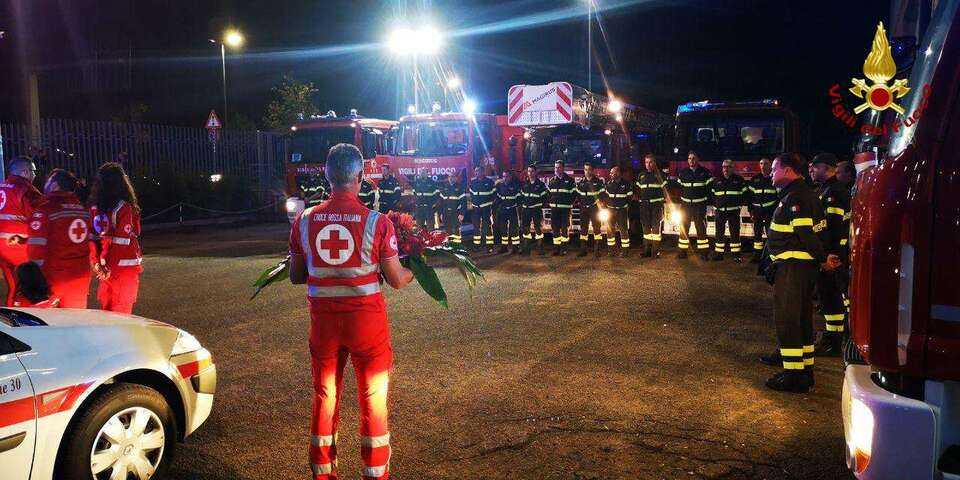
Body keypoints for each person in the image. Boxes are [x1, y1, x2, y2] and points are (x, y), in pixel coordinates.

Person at [288, 143, 413, 480]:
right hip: (366, 327)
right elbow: (397, 280)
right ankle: (374, 473)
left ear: (327, 176)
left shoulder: (304, 221)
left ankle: (323, 472)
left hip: (324, 327)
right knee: (373, 397)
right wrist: (413, 269)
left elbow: (296, 276)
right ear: (360, 177)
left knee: (324, 395)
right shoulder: (377, 223)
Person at [761, 152, 840, 393]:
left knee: (788, 321)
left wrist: (823, 259)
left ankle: (793, 375)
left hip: (793, 269)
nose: (771, 174)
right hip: (799, 269)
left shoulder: (797, 197)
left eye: (774, 169)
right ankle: (803, 372)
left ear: (787, 170)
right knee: (802, 320)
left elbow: (806, 234)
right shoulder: (801, 194)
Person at [27, 169, 92, 308]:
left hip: (54, 277)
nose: (45, 184)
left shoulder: (45, 209)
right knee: (74, 323)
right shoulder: (82, 209)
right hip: (81, 276)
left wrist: (35, 281)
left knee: (41, 322)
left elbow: (36, 250)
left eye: (48, 181)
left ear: (55, 185)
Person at [810, 153, 851, 355]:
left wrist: (830, 257)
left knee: (831, 297)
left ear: (826, 168)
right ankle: (833, 337)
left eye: (814, 167)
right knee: (830, 297)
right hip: (834, 254)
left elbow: (834, 228)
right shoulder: (830, 189)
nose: (811, 170)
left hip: (832, 256)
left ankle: (833, 342)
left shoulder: (833, 192)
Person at [89, 162, 143, 314]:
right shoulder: (124, 207)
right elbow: (124, 241)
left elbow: (92, 239)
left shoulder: (95, 208)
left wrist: (98, 264)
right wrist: (109, 268)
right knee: (122, 316)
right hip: (123, 270)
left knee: (107, 313)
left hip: (105, 270)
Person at [0, 157, 42, 306]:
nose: (35, 175)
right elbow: (40, 217)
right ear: (25, 172)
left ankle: (12, 318)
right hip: (20, 246)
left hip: (2, 248)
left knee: (13, 286)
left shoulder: (2, 187)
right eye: (33, 171)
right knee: (27, 287)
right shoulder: (26, 190)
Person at [676, 151, 713, 259]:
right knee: (684, 229)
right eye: (689, 158)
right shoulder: (683, 173)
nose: (691, 160)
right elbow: (679, 188)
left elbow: (709, 189)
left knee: (701, 229)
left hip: (699, 206)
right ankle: (682, 252)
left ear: (698, 159)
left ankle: (703, 253)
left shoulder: (705, 172)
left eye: (693, 158)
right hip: (686, 206)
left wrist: (706, 201)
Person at [711, 159, 748, 262]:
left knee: (735, 233)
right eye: (724, 167)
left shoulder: (739, 180)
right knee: (719, 233)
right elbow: (712, 195)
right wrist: (716, 205)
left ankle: (736, 255)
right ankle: (719, 254)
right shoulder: (716, 180)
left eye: (728, 167)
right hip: (720, 211)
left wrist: (739, 205)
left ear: (733, 168)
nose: (725, 169)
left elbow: (745, 194)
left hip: (733, 212)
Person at [636, 154, 666, 258]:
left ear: (654, 163)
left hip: (656, 206)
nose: (648, 164)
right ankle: (646, 251)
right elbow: (638, 190)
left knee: (656, 229)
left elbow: (665, 191)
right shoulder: (641, 175)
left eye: (650, 162)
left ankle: (655, 252)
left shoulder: (660, 175)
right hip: (645, 206)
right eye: (646, 162)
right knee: (646, 229)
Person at [748, 158, 777, 263]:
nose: (763, 166)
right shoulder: (754, 179)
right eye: (761, 163)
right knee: (757, 234)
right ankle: (757, 255)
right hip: (757, 211)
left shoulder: (774, 178)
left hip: (771, 211)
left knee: (771, 234)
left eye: (765, 163)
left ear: (770, 165)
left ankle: (770, 256)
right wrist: (750, 210)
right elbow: (750, 197)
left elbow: (778, 196)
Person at [575, 164, 606, 257]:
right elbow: (578, 195)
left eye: (589, 170)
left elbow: (602, 194)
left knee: (597, 228)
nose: (587, 171)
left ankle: (597, 250)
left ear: (592, 171)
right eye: (585, 169)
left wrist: (599, 203)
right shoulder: (580, 183)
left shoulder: (599, 182)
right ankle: (583, 250)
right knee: (583, 229)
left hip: (594, 208)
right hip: (584, 208)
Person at [547, 160, 576, 256]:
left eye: (559, 167)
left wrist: (568, 203)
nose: (557, 169)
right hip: (554, 210)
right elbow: (548, 194)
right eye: (555, 167)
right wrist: (551, 203)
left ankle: (564, 248)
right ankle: (556, 248)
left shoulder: (570, 181)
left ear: (563, 168)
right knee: (555, 229)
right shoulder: (552, 181)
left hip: (565, 209)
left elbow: (574, 195)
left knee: (564, 229)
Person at [604, 166, 633, 256]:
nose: (610, 174)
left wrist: (624, 205)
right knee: (609, 231)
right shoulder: (608, 184)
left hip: (621, 210)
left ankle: (625, 251)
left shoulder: (626, 184)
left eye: (612, 173)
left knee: (623, 230)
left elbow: (630, 197)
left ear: (618, 173)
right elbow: (606, 197)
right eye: (610, 173)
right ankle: (611, 251)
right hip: (610, 210)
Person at [519, 166, 547, 256]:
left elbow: (544, 198)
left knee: (538, 228)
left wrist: (538, 205)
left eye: (532, 171)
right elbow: (521, 196)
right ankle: (526, 249)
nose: (530, 173)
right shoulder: (524, 184)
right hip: (526, 210)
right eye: (529, 171)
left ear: (535, 172)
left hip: (536, 210)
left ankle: (540, 248)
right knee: (525, 228)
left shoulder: (541, 184)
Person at [468, 167, 496, 252]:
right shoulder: (473, 182)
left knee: (487, 227)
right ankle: (476, 246)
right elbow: (471, 195)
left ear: (483, 172)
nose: (477, 173)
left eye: (479, 171)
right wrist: (472, 204)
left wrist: (490, 204)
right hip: (476, 208)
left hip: (486, 209)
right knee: (476, 227)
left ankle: (489, 246)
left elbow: (494, 195)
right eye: (476, 171)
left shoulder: (489, 182)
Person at [494, 170, 521, 254]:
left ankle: (515, 247)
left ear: (510, 177)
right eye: (504, 176)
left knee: (514, 229)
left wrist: (517, 207)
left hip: (512, 210)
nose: (505, 178)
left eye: (507, 176)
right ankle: (504, 247)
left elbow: (519, 198)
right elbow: (498, 198)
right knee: (503, 229)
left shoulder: (515, 186)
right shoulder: (500, 186)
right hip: (503, 210)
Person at [438, 171, 466, 247]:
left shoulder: (460, 187)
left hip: (456, 213)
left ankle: (457, 247)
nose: (451, 178)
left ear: (456, 178)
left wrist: (462, 214)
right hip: (445, 213)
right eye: (449, 177)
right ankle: (450, 246)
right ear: (448, 178)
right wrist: (440, 213)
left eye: (452, 177)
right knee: (448, 231)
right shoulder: (445, 187)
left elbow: (463, 202)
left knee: (456, 231)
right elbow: (440, 202)